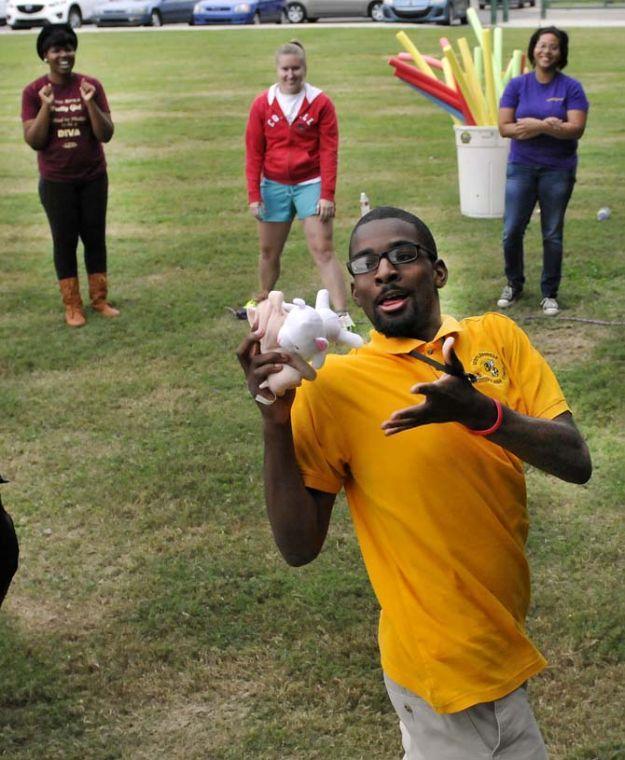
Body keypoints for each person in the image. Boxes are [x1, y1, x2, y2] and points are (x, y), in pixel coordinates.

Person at [237, 206, 592, 758]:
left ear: (439, 271)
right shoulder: (336, 386)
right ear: (354, 292)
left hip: (498, 636)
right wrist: (275, 423)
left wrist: (482, 413)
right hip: (446, 666)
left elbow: (575, 460)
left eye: (404, 255)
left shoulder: (495, 337)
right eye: (367, 263)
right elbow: (298, 546)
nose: (385, 270)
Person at [244, 41, 352, 326]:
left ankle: (342, 313)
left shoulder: (321, 103)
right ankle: (263, 301)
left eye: (296, 68)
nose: (290, 75)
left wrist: (327, 194)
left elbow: (329, 150)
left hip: (311, 183)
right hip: (273, 185)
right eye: (285, 69)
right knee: (269, 252)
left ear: (305, 68)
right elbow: (254, 152)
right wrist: (254, 194)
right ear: (276, 70)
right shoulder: (262, 104)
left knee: (323, 249)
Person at [22, 24, 119, 328]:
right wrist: (46, 108)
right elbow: (34, 140)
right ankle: (72, 305)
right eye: (56, 50)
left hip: (92, 177)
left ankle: (99, 299)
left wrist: (90, 102)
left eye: (68, 48)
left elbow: (106, 134)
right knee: (64, 242)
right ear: (45, 55)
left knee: (94, 238)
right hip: (56, 181)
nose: (64, 55)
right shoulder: (33, 92)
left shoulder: (91, 86)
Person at [497, 26, 589, 317]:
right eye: (541, 45)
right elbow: (505, 128)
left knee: (552, 234)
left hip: (557, 170)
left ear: (561, 53)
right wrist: (545, 125)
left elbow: (575, 129)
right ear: (533, 49)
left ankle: (550, 293)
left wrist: (531, 126)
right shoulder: (517, 85)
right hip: (521, 167)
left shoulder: (570, 88)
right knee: (511, 231)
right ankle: (514, 284)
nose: (546, 51)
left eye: (553, 47)